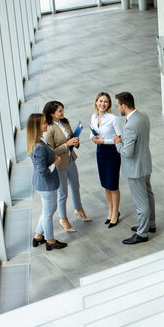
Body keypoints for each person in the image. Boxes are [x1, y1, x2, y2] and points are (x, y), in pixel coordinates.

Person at [113, 92, 156, 244]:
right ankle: (150, 224)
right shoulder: (143, 116)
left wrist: (118, 142)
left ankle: (142, 234)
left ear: (124, 106)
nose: (117, 108)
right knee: (148, 195)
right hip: (145, 163)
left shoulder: (131, 125)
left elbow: (127, 153)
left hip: (135, 169)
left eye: (118, 105)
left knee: (141, 203)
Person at [42, 100, 91, 233]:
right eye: (60, 111)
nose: (63, 112)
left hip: (70, 159)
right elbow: (50, 152)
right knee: (62, 193)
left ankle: (79, 208)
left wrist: (75, 142)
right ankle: (63, 218)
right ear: (52, 114)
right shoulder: (49, 130)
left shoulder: (65, 122)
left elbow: (70, 138)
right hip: (60, 164)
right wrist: (67, 144)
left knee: (75, 186)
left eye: (63, 110)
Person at [26, 113, 68, 251]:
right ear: (37, 126)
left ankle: (38, 236)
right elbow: (43, 171)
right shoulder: (39, 146)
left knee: (47, 211)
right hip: (46, 184)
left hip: (44, 184)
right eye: (44, 123)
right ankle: (50, 241)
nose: (46, 124)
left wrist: (52, 158)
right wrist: (55, 162)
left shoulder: (38, 141)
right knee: (49, 213)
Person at [90, 92, 122, 227]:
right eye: (100, 101)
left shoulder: (113, 119)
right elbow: (90, 133)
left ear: (109, 105)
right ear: (96, 102)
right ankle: (110, 210)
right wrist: (93, 139)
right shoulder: (93, 116)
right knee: (105, 185)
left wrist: (104, 141)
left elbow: (120, 138)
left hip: (112, 153)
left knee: (113, 185)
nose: (102, 104)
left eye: (106, 102)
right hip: (100, 152)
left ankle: (115, 213)